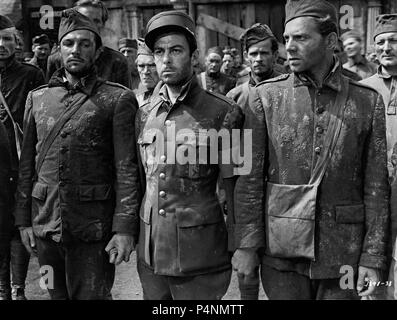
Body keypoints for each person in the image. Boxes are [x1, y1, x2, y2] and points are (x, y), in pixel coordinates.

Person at [232, 0, 390, 300]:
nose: (289, 47)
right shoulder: (265, 98)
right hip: (281, 255)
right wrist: (247, 245)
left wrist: (373, 257)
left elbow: (376, 186)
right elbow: (249, 180)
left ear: (331, 41)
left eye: (301, 38)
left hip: (345, 252)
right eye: (287, 38)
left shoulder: (367, 102)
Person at [14, 9, 140, 300]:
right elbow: (26, 167)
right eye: (69, 43)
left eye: (85, 44)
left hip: (93, 230)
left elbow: (127, 169)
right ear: (59, 50)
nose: (76, 50)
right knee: (54, 296)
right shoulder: (39, 98)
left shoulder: (117, 98)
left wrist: (123, 228)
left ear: (97, 52)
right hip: (46, 226)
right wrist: (23, 221)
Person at [136, 10, 243, 300]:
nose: (166, 59)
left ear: (194, 57)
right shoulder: (145, 112)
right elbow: (141, 181)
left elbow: (238, 188)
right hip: (151, 254)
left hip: (200, 257)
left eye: (176, 50)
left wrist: (243, 246)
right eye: (159, 51)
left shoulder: (226, 112)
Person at [226, 23, 280, 300]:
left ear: (275, 55)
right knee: (245, 268)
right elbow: (223, 155)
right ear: (246, 57)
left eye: (264, 53)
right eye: (253, 54)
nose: (258, 59)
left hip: (278, 189)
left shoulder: (289, 92)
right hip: (242, 190)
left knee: (278, 263)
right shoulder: (235, 98)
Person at [0, 15, 45, 300]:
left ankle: (17, 289)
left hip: (19, 161)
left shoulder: (31, 75)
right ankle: (3, 288)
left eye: (6, 39)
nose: (1, 45)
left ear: (17, 42)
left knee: (18, 224)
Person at [360, 13, 397, 300]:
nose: (387, 47)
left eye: (394, 40)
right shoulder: (364, 88)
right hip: (372, 190)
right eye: (381, 42)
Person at [46, 0, 131, 88]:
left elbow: (125, 98)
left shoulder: (117, 61)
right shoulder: (56, 59)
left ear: (103, 24)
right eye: (85, 19)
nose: (90, 25)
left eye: (96, 21)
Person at [133, 38, 159, 106]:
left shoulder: (171, 96)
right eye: (141, 66)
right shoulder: (135, 97)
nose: (146, 71)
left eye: (152, 65)